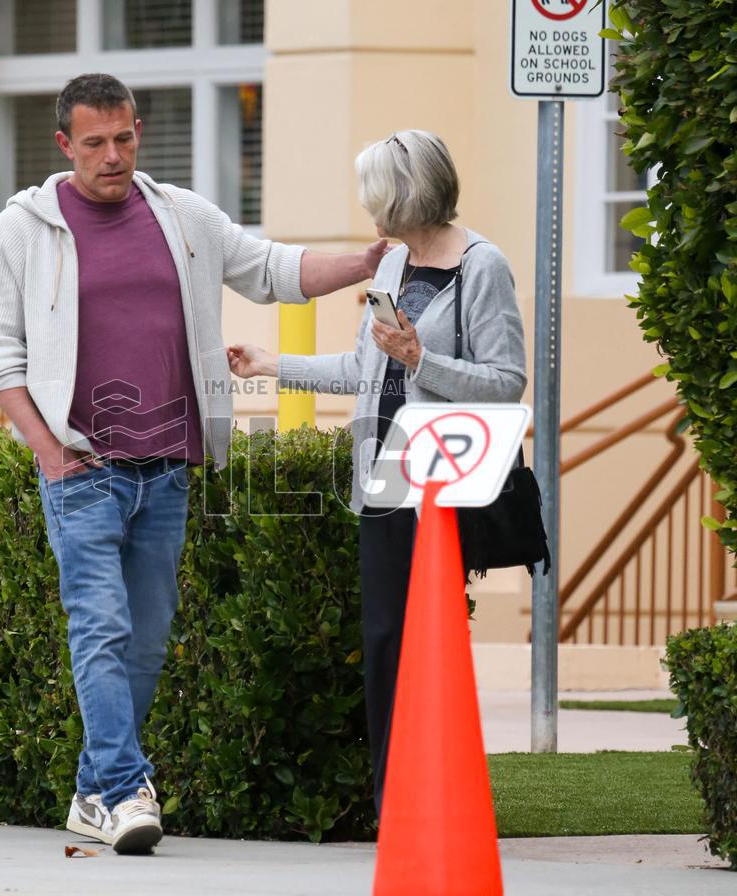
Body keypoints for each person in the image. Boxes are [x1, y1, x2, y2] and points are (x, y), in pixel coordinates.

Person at [0, 73, 388, 854]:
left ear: (138, 132)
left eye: (124, 137)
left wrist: (365, 261)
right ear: (64, 144)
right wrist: (47, 449)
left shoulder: (180, 216)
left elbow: (274, 269)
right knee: (98, 628)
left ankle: (95, 791)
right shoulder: (23, 230)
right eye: (94, 142)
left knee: (147, 638)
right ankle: (128, 790)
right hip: (82, 468)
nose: (112, 155)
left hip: (166, 465)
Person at [227, 130, 527, 815]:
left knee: (433, 640)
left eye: (375, 193)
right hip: (385, 475)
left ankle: (439, 799)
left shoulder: (482, 267)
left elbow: (506, 381)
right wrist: (272, 365)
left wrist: (423, 360)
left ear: (409, 193)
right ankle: (399, 801)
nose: (368, 208)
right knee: (387, 638)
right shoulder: (391, 269)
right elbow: (363, 369)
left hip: (444, 476)